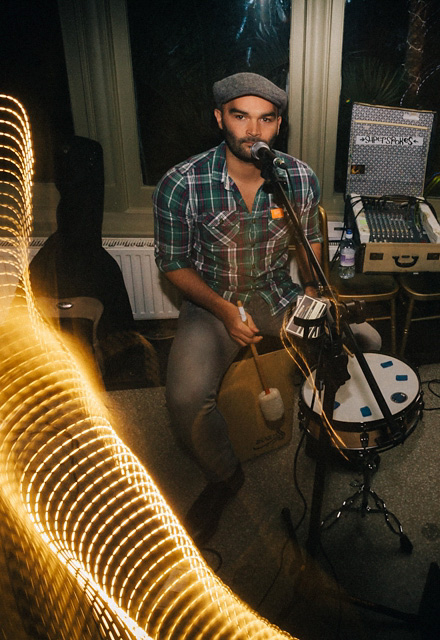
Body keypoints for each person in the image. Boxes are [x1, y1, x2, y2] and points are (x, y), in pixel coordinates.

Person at [154, 72, 379, 544]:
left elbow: (311, 241)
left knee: (364, 343)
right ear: (220, 119)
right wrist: (223, 312)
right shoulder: (181, 183)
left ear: (278, 125)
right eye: (241, 117)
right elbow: (172, 264)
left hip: (277, 293)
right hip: (212, 301)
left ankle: (323, 432)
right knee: (186, 398)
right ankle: (224, 477)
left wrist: (316, 294)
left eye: (266, 119)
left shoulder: (298, 177)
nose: (253, 131)